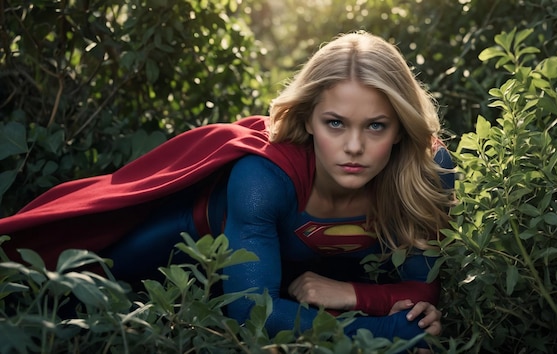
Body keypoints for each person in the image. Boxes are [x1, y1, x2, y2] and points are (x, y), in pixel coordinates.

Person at [0, 32, 454, 350]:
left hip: (296, 269)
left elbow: (424, 289)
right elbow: (254, 312)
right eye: (335, 123)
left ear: (400, 128)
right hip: (180, 244)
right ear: (308, 120)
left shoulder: (426, 170)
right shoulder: (264, 176)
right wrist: (388, 331)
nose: (354, 147)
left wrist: (350, 295)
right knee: (56, 289)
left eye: (375, 125)